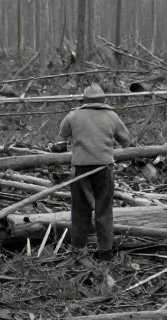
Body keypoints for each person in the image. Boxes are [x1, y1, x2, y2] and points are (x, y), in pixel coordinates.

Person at [52, 83, 130, 260]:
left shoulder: (73, 116)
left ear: (84, 100)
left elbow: (60, 142)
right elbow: (125, 140)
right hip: (104, 168)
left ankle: (79, 250)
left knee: (80, 210)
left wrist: (59, 147)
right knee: (104, 210)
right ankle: (105, 251)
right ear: (103, 100)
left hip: (81, 169)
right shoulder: (112, 116)